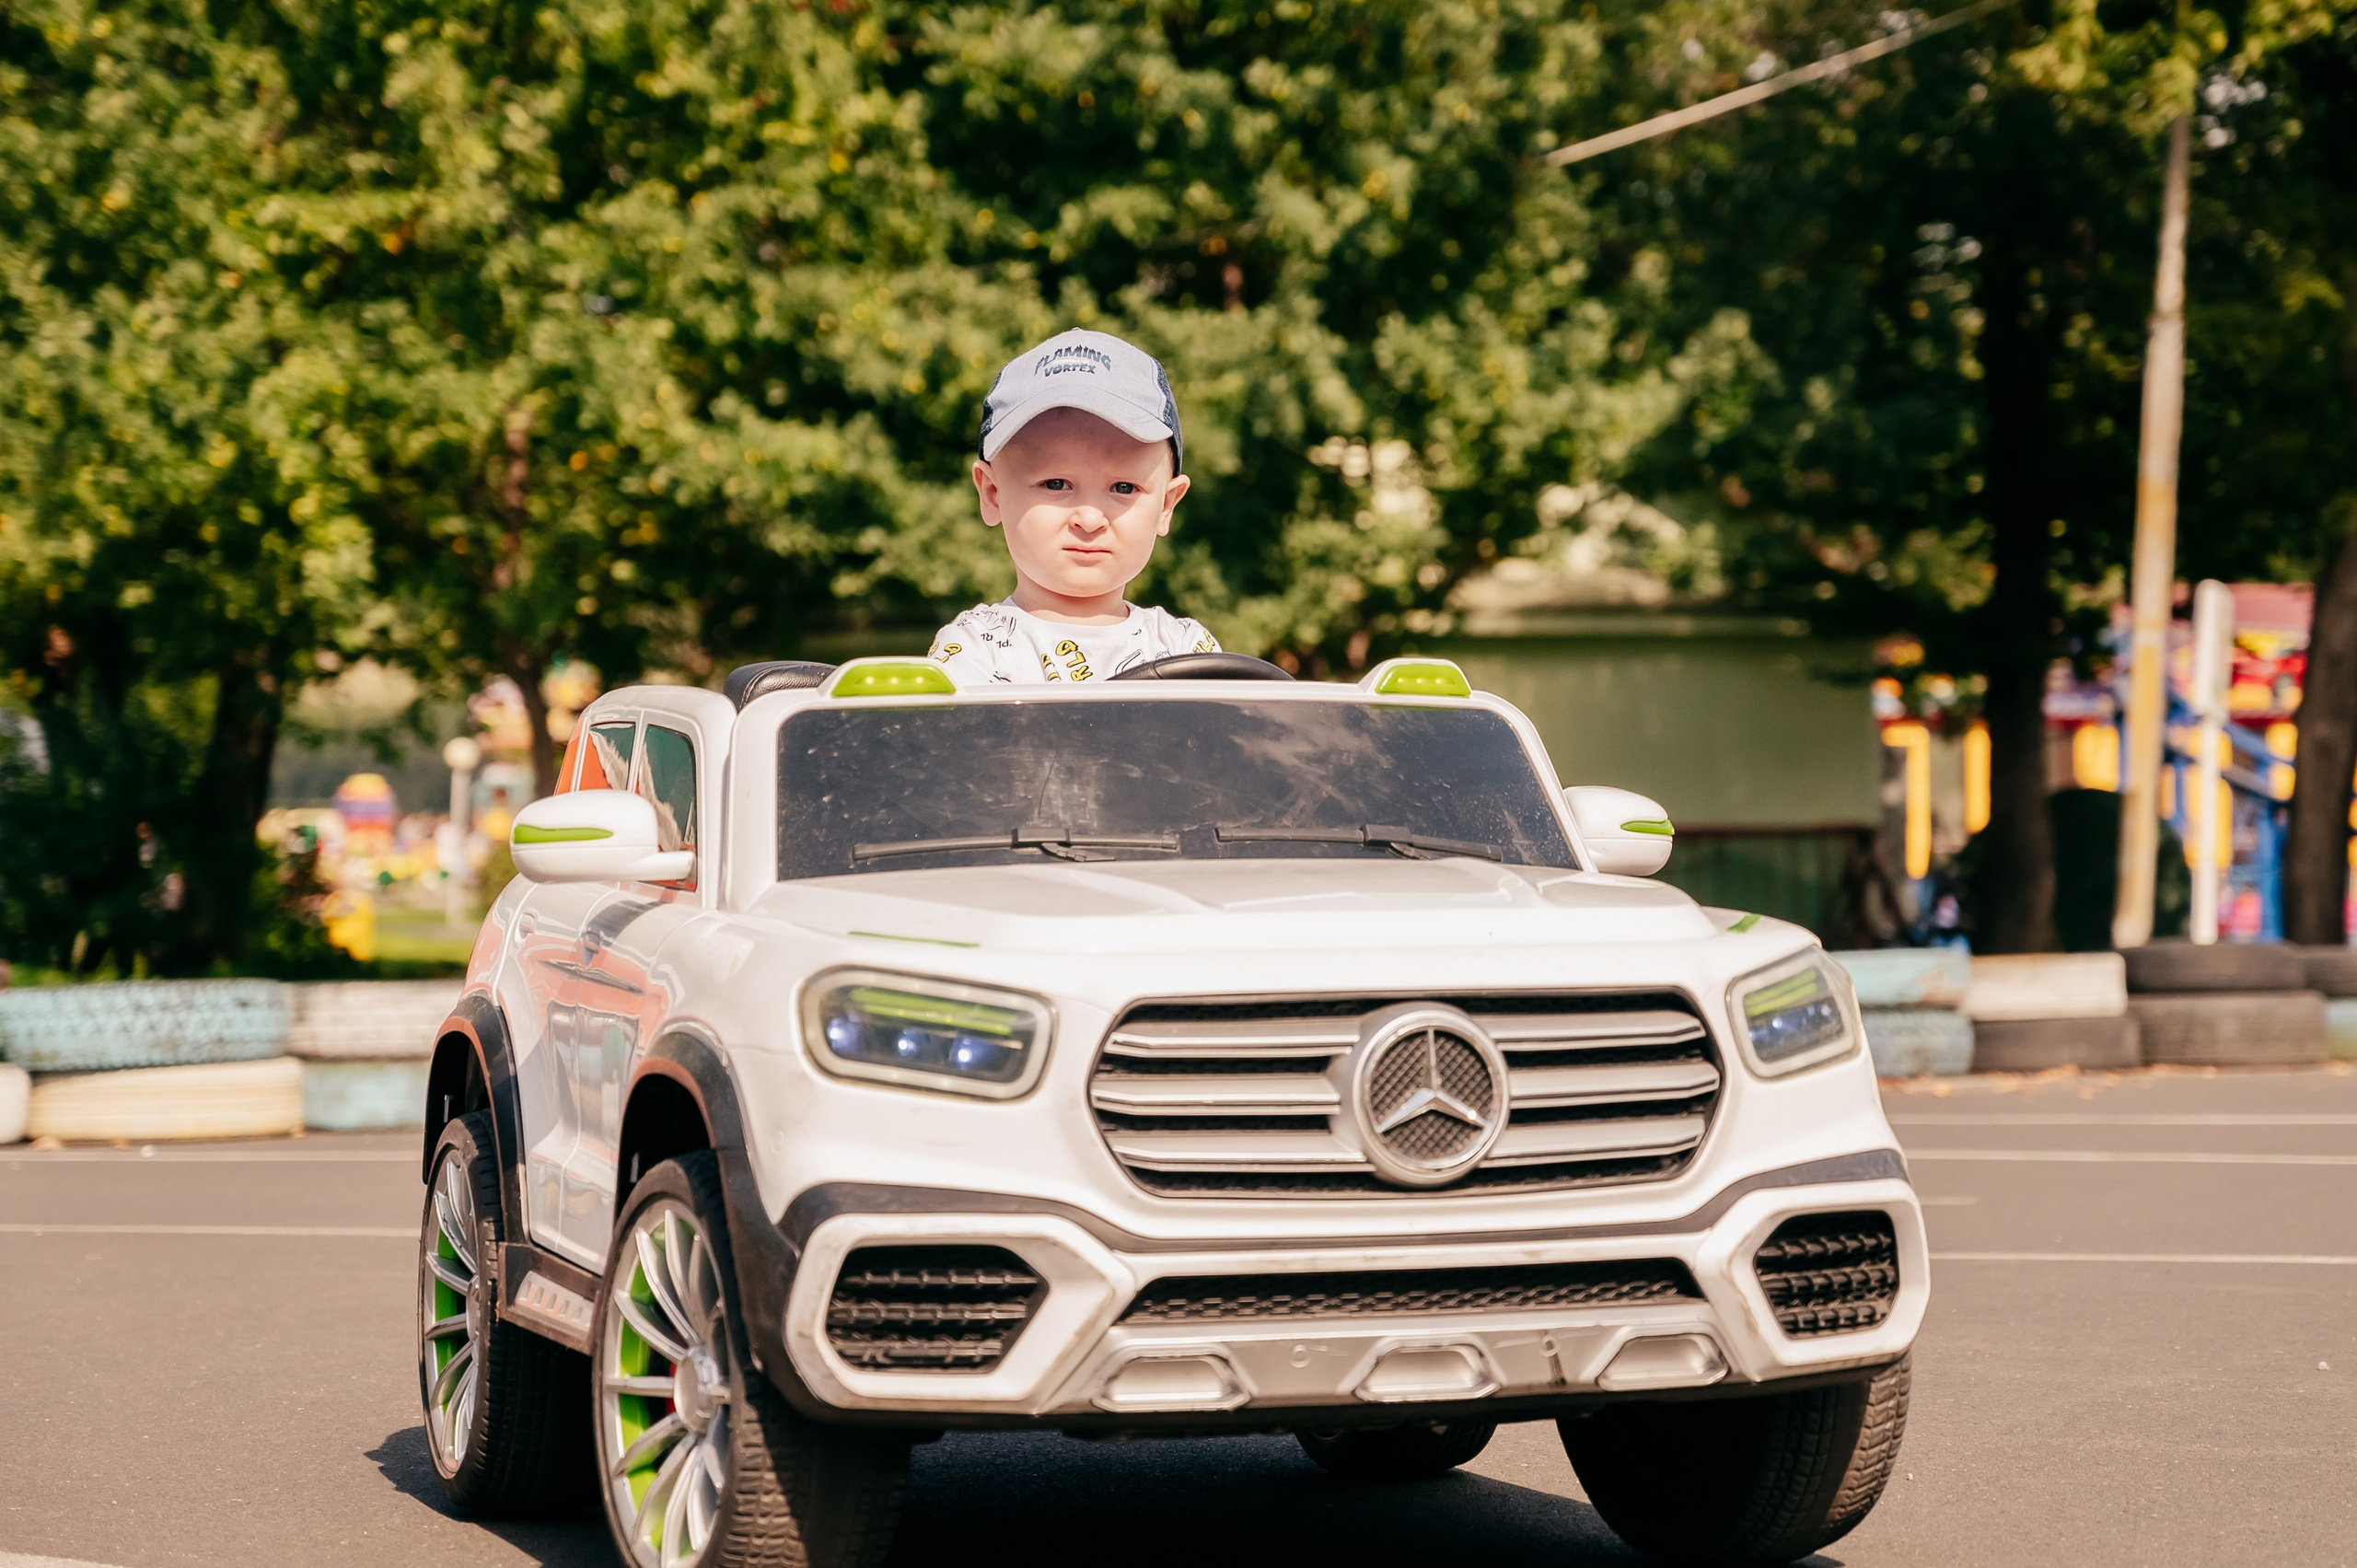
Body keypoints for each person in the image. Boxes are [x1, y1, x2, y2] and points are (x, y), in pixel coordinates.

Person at [929, 330, 1220, 683]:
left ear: (1166, 506)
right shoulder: (973, 652)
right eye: (1056, 484)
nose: (1090, 518)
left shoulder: (1187, 650)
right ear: (993, 494)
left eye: (1124, 487)